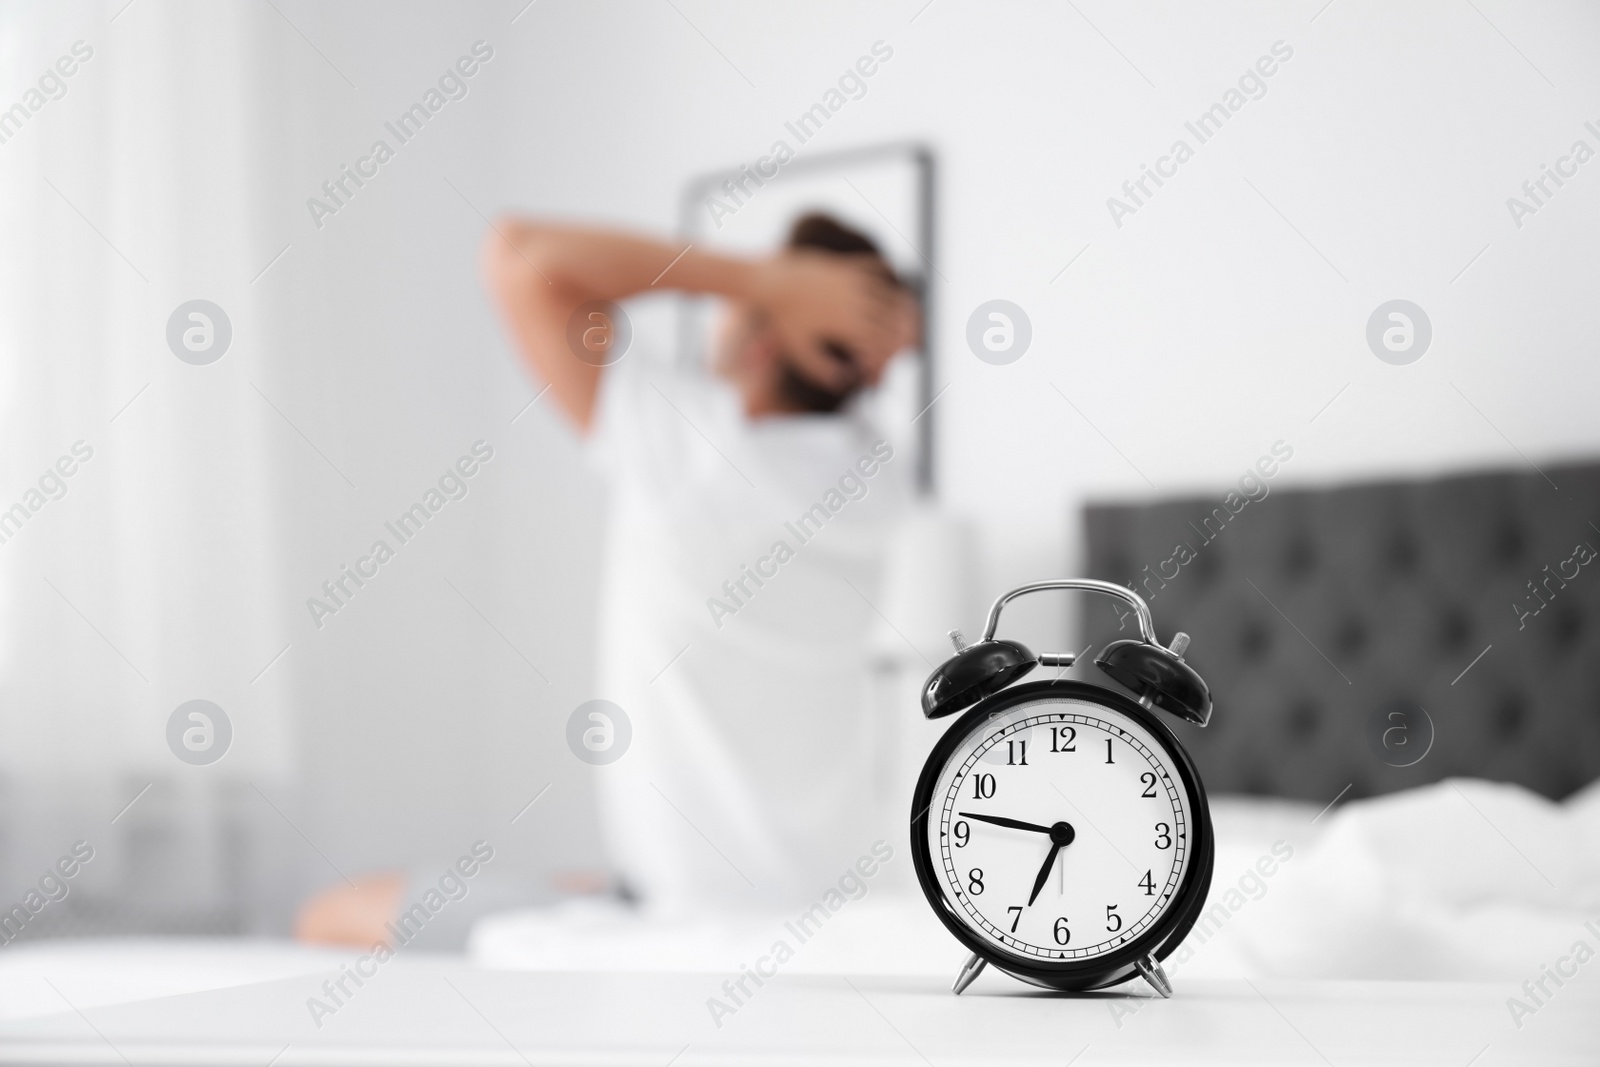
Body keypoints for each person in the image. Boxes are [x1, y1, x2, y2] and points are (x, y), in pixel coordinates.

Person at [295, 211, 918, 943]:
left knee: (329, 916)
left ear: (766, 333)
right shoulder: (885, 481)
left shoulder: (696, 454)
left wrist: (764, 280)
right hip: (812, 901)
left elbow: (518, 253)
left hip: (678, 915)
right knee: (565, 883)